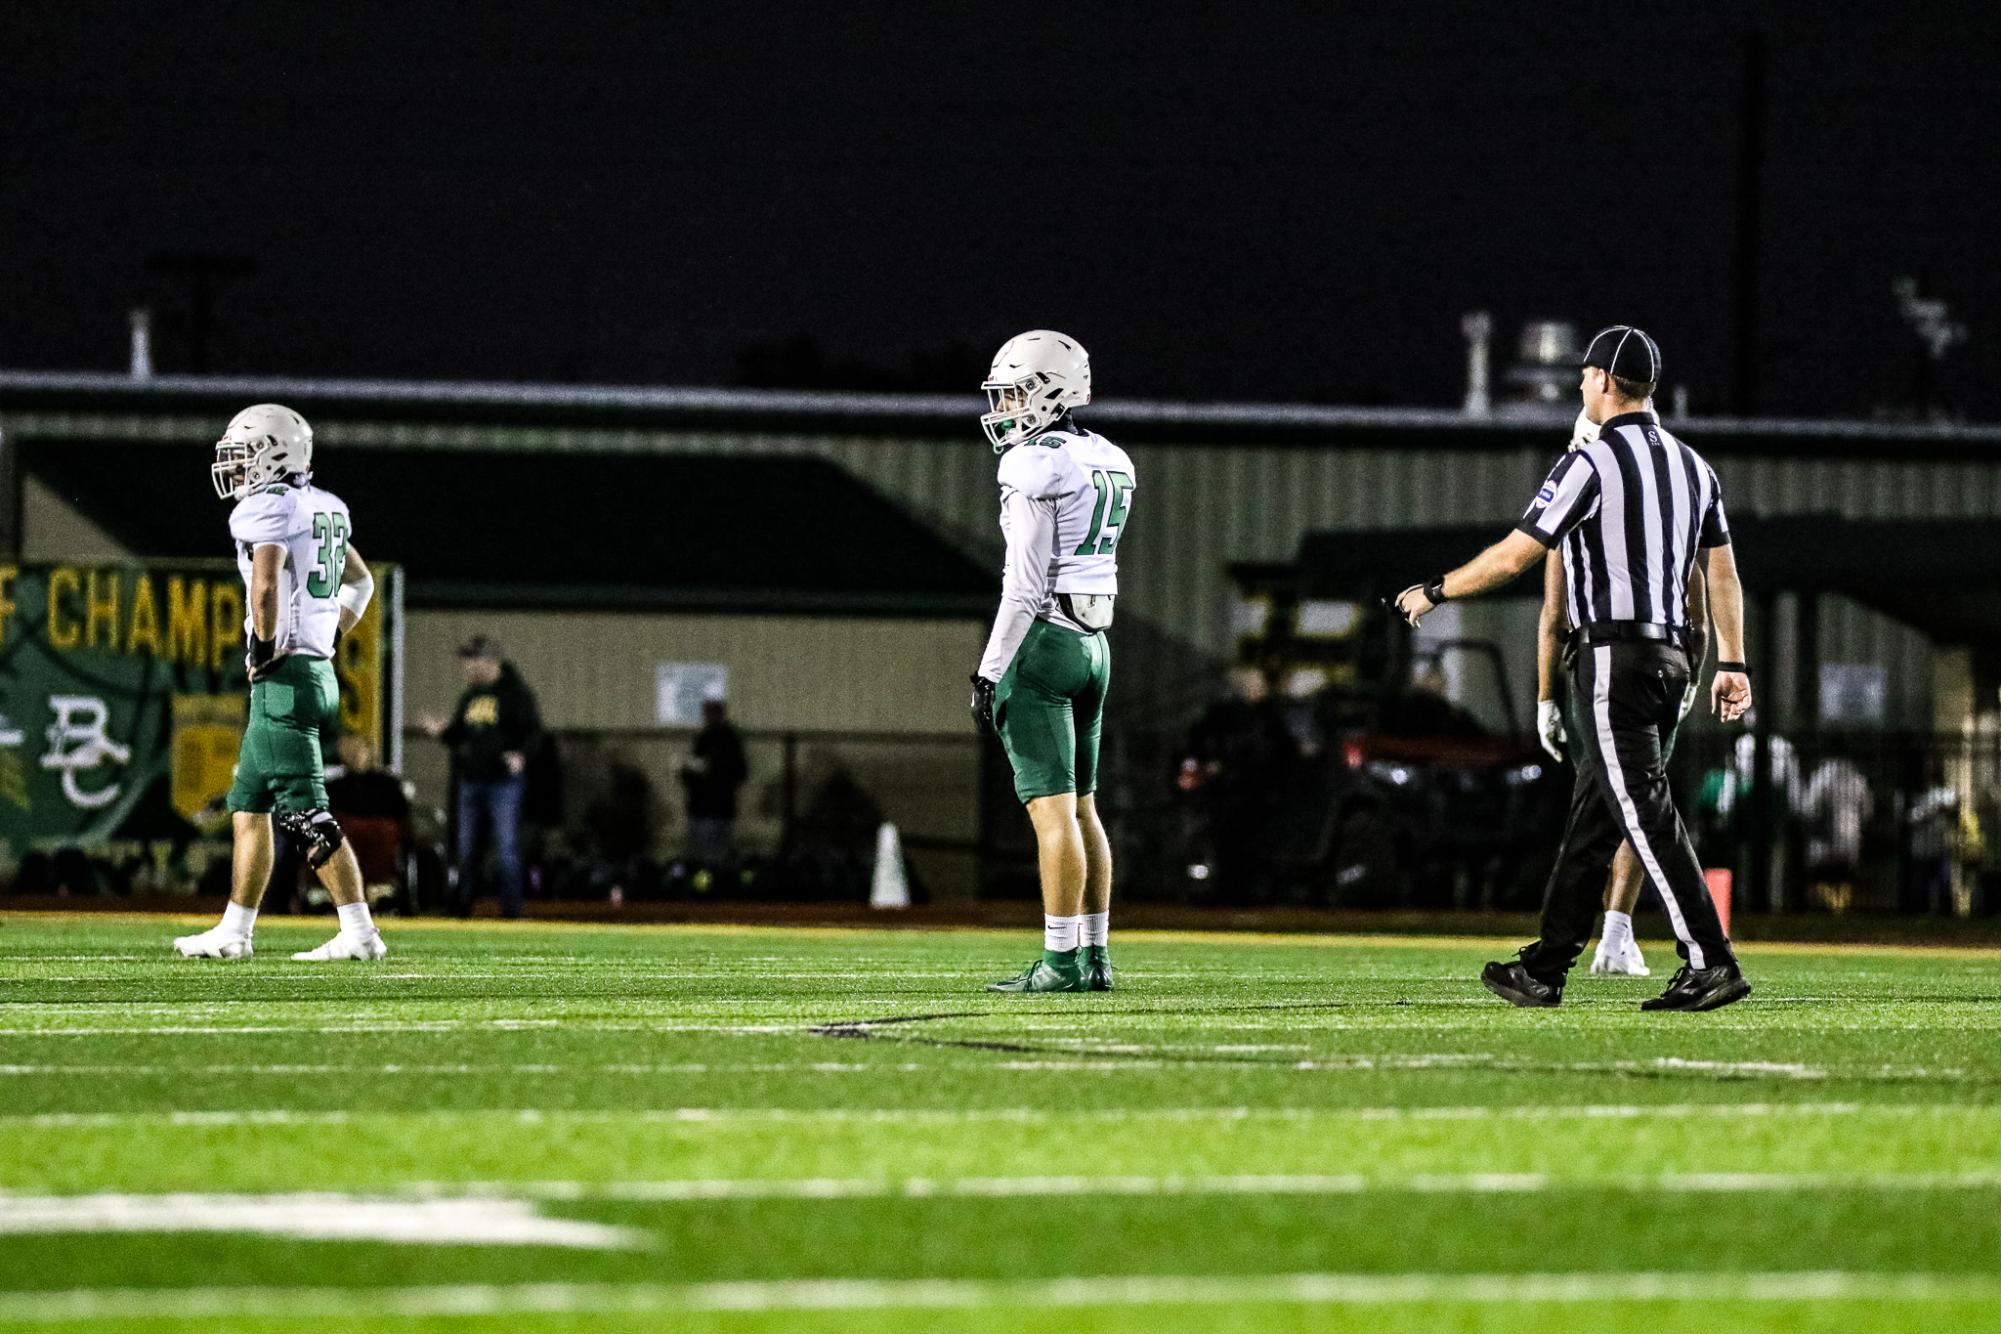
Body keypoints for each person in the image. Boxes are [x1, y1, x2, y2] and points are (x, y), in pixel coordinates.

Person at [1397, 325, 1754, 1012]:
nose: (1581, 389)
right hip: (1672, 655)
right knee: (1596, 816)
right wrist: (1731, 662)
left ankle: (1711, 960)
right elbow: (1721, 573)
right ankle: (1545, 965)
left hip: (1613, 657)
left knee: (1642, 809)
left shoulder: (1589, 462)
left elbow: (1513, 557)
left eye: (1585, 378)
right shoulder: (1692, 467)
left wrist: (1435, 590)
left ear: (1601, 382)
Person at [174, 404, 387, 962]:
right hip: (314, 672)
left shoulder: (266, 509)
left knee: (304, 812)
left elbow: (265, 588)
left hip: (285, 678)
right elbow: (360, 584)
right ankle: (234, 930)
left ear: (274, 452)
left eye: (245, 455)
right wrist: (327, 636)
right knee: (249, 806)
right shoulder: (327, 507)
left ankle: (360, 931)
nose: (238, 469)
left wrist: (264, 649)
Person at [968, 330, 1134, 993]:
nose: (1004, 406)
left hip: (1043, 642)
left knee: (1053, 813)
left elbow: (1023, 584)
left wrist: (988, 667)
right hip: (1095, 645)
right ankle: (1094, 956)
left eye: (1014, 391)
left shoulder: (1033, 464)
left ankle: (1060, 962)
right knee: (1085, 808)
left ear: (1048, 390)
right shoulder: (1108, 456)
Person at [1535, 407, 1712, 978]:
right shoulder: (1672, 508)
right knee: (1628, 804)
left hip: (1606, 667)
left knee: (1630, 806)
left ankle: (1697, 953)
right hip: (1666, 663)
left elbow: (1553, 615)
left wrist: (1544, 699)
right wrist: (1698, 673)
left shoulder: (1581, 488)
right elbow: (1699, 612)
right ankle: (1597, 938)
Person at [422, 637, 541, 918]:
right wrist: (443, 732)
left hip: (503, 784)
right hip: (471, 781)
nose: (467, 669)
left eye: (471, 662)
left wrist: (521, 756)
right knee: (465, 851)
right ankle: (461, 909)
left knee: (506, 849)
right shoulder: (471, 696)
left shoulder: (516, 694)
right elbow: (461, 736)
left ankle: (512, 910)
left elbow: (535, 733)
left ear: (490, 661)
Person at [679, 699, 749, 867]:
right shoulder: (716, 738)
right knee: (711, 856)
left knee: (708, 858)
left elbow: (737, 772)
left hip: (711, 809)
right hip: (714, 809)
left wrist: (704, 775)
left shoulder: (722, 740)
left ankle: (707, 887)